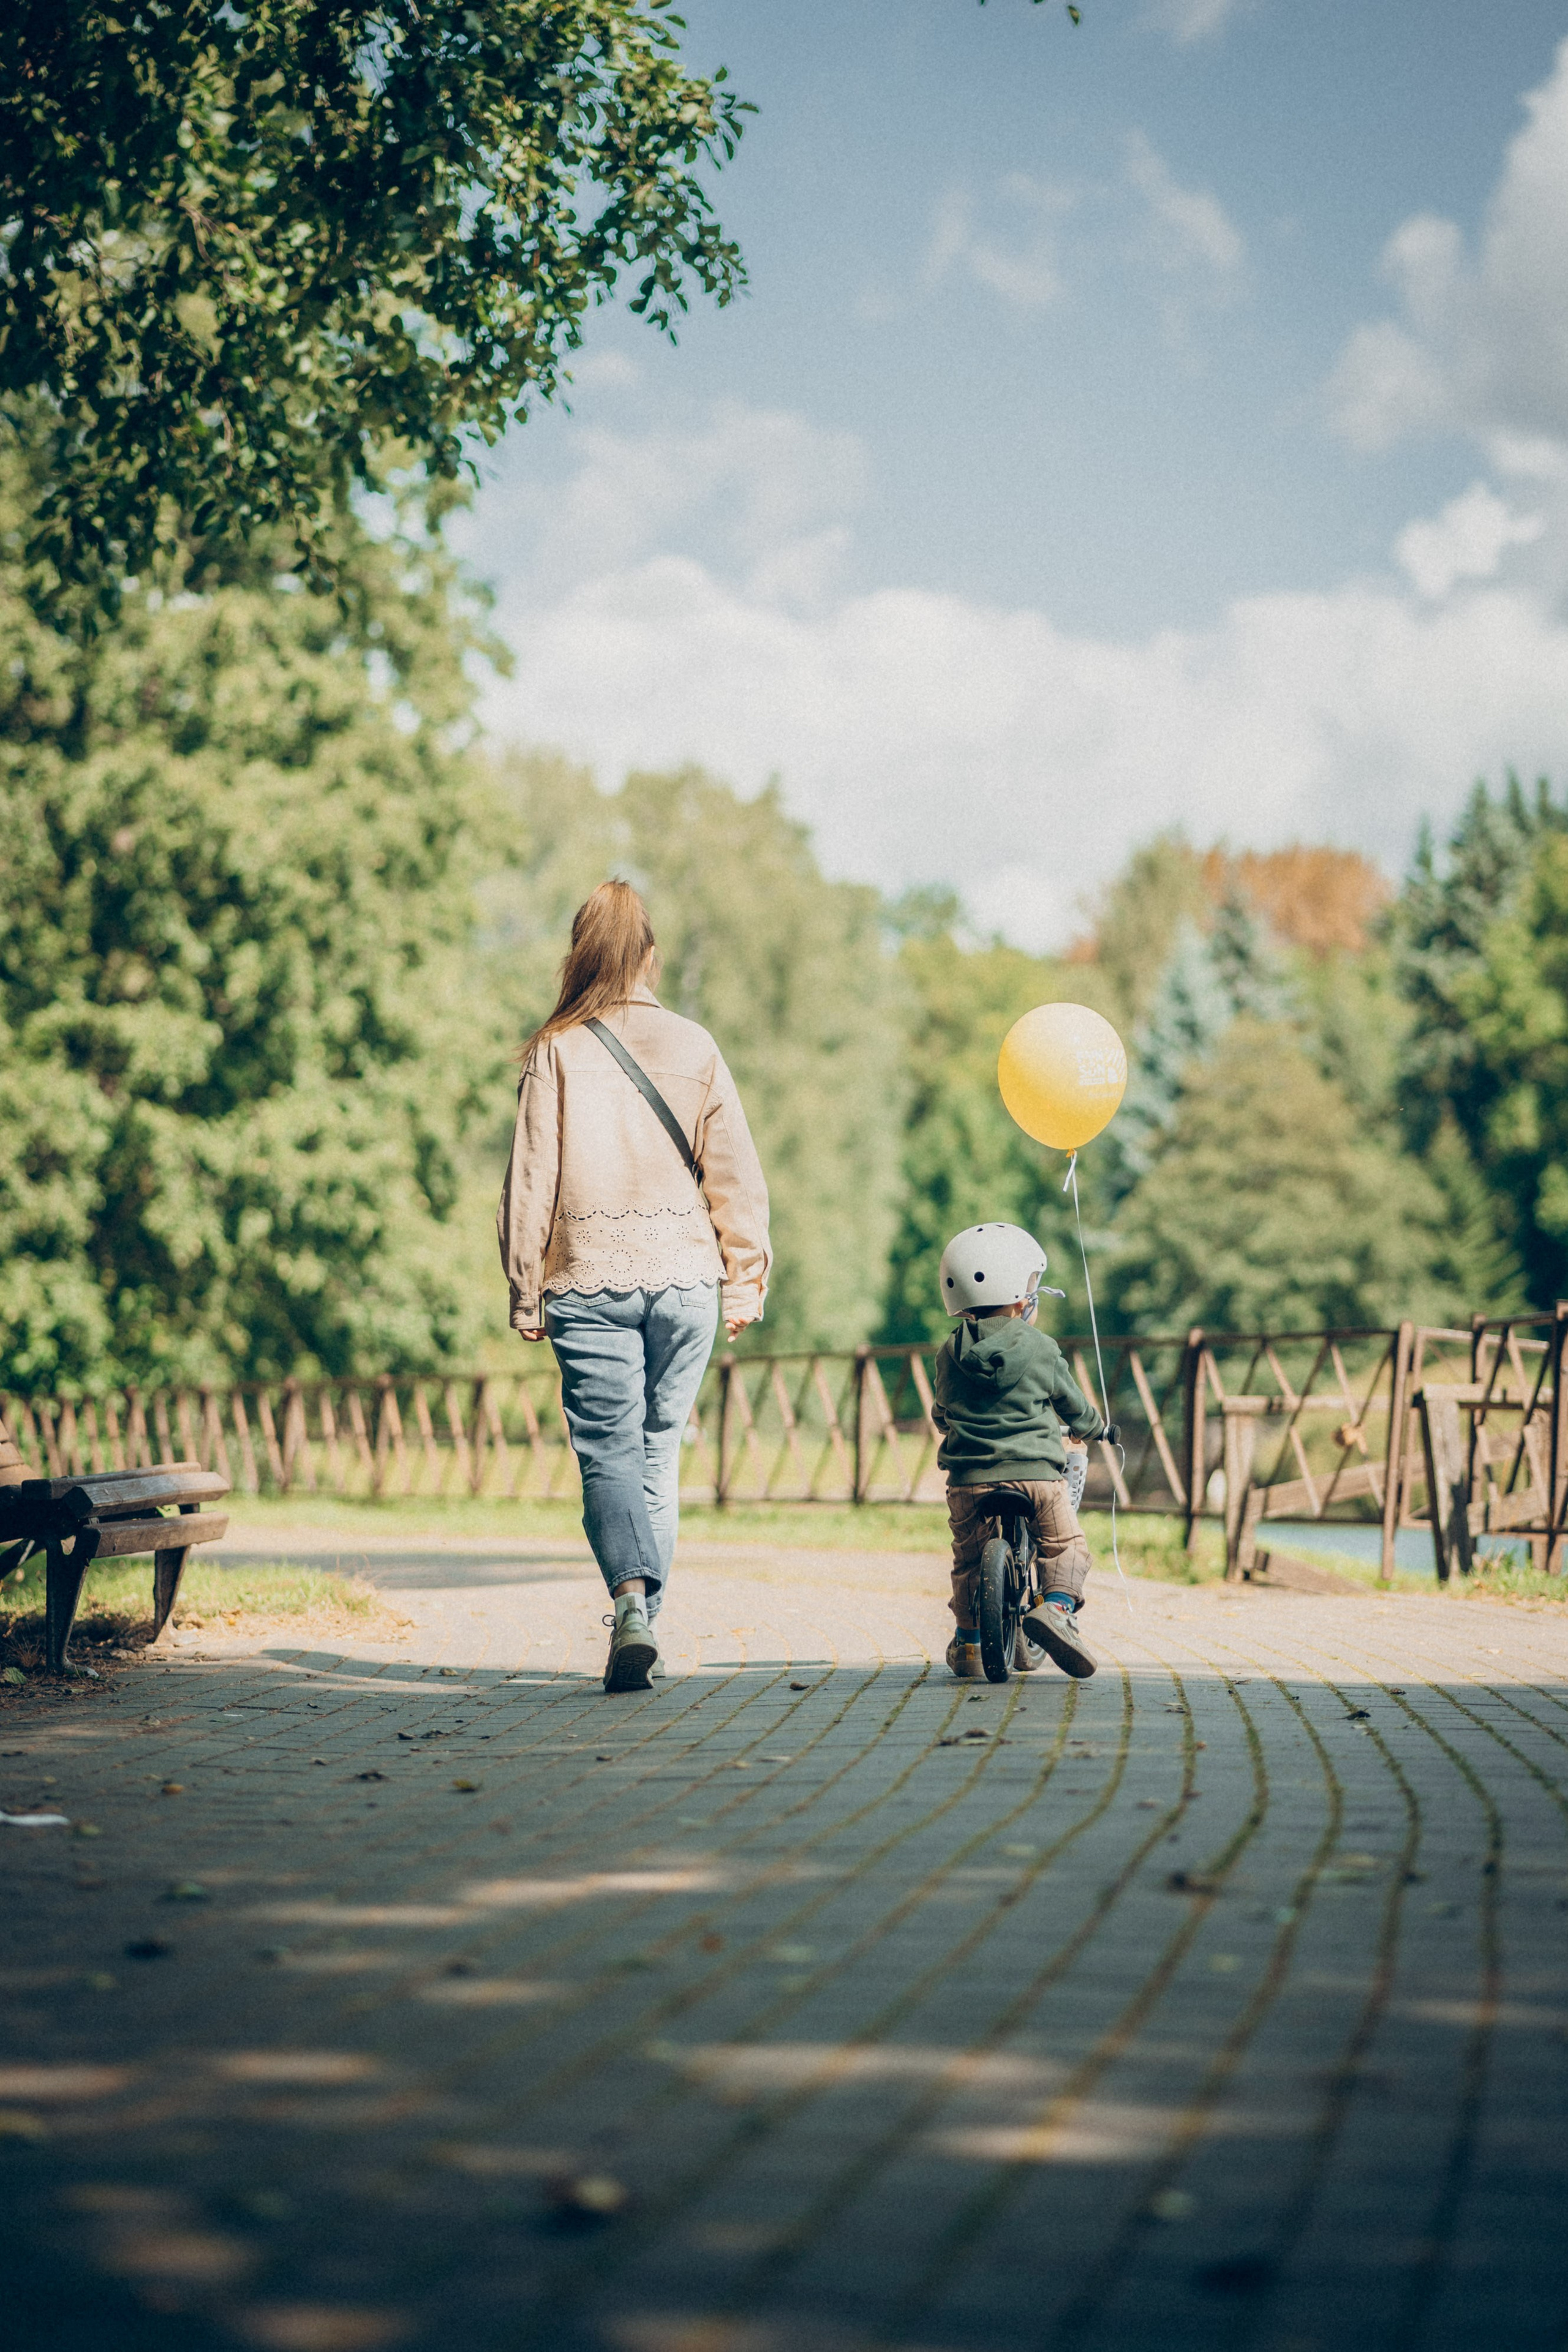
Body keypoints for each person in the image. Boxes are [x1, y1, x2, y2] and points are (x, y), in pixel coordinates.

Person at [497, 882, 771, 1692]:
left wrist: (525, 1286)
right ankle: (645, 1618)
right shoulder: (695, 1044)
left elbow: (530, 1178)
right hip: (686, 1279)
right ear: (650, 957)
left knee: (608, 1455)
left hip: (589, 1278)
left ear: (580, 955)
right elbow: (735, 1174)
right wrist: (744, 1279)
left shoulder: (556, 1049)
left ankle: (629, 1609)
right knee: (658, 1455)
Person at [930, 1222, 1113, 1682]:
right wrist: (1097, 1428)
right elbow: (1074, 1406)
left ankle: (968, 1644)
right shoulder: (1040, 1347)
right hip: (1036, 1477)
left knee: (968, 1561)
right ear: (1019, 1299)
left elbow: (942, 1412)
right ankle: (1056, 1609)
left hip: (968, 1481)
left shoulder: (949, 1353)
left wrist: (951, 1425)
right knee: (1065, 1545)